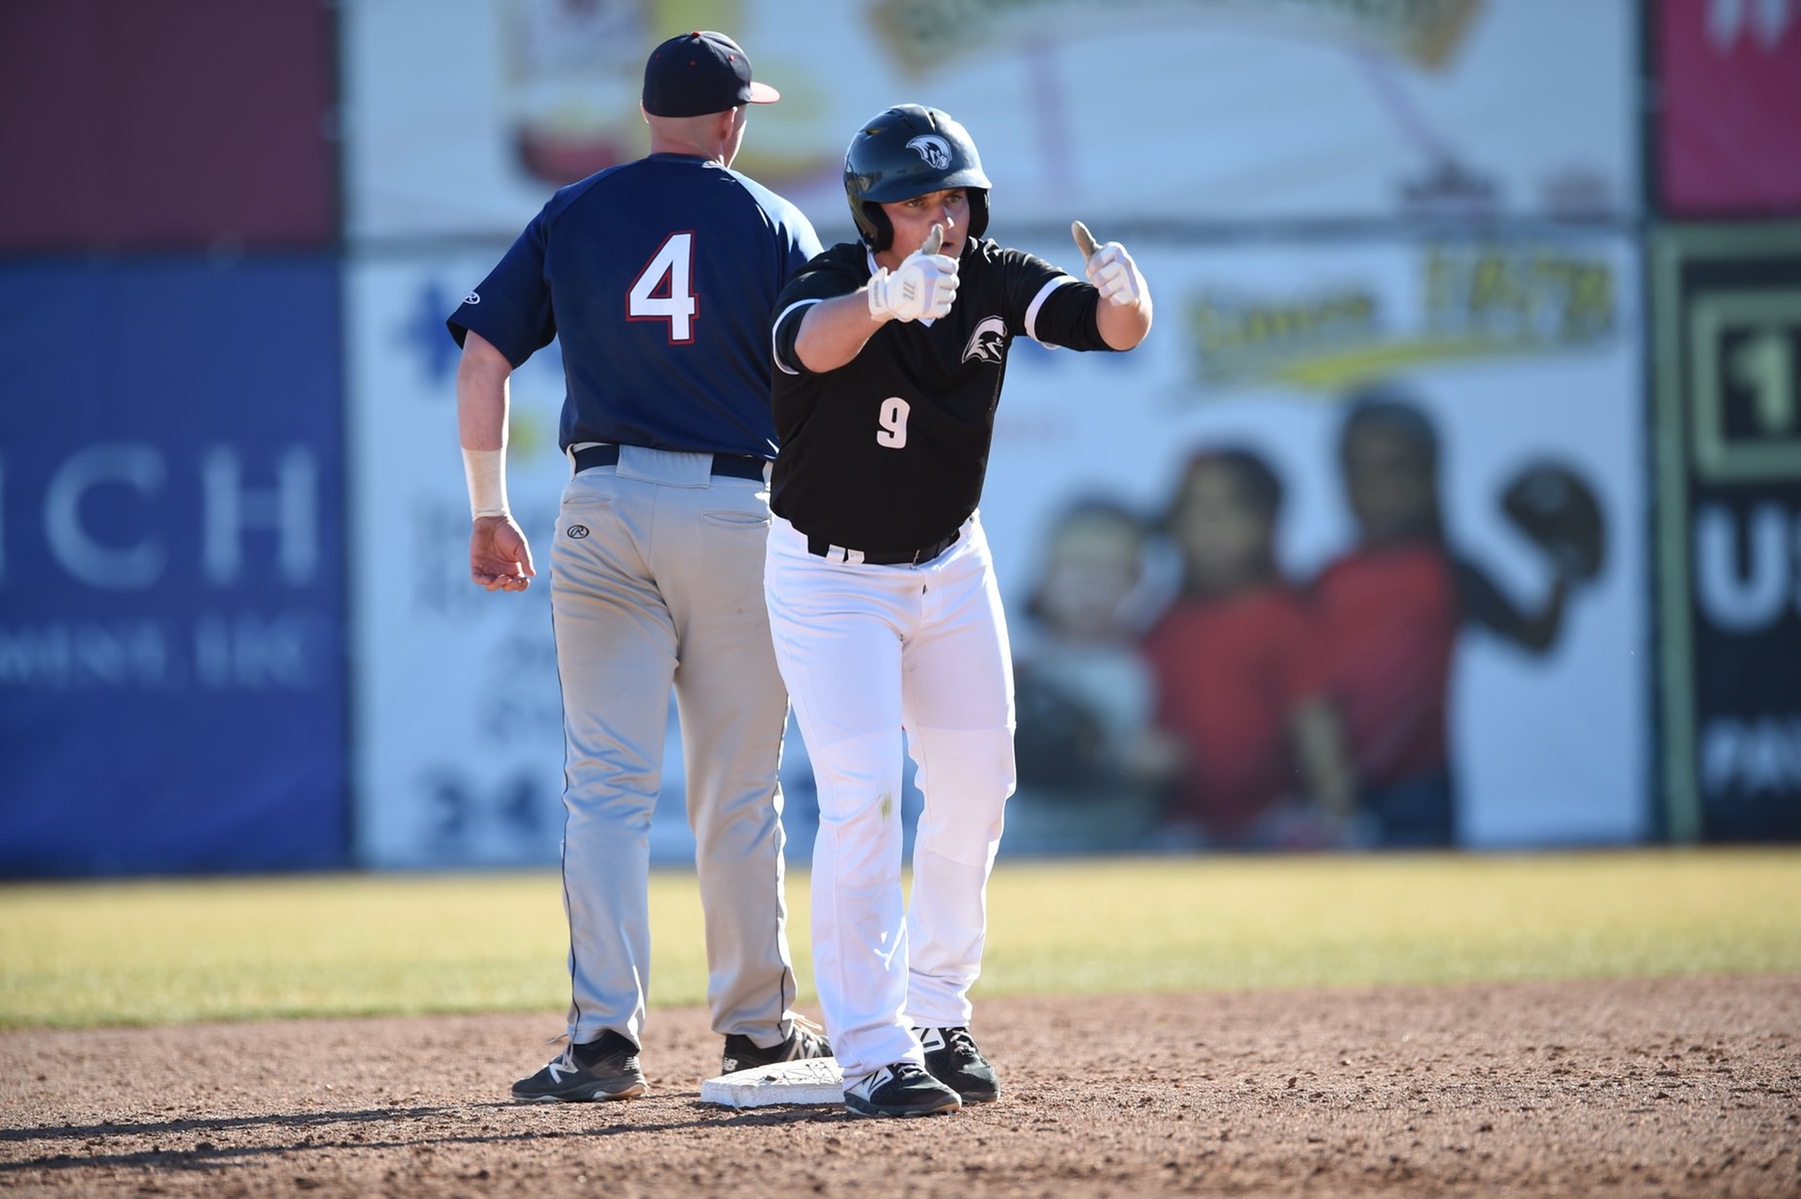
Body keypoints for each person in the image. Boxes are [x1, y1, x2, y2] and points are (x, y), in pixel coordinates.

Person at [446, 30, 829, 1103]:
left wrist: (489, 510)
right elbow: (824, 377)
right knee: (738, 792)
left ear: (649, 112)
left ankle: (602, 1040)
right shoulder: (775, 220)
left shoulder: (574, 210)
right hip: (733, 510)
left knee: (606, 787)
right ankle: (757, 1031)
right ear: (729, 119)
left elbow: (483, 355)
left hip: (599, 504)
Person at [762, 104, 1153, 1118]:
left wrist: (1128, 299)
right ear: (870, 208)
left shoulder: (989, 273)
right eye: (919, 198)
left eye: (955, 195)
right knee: (860, 797)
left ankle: (936, 1010)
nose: (943, 214)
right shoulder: (833, 282)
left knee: (978, 784)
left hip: (947, 564)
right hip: (830, 577)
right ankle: (872, 1045)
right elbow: (802, 345)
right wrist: (886, 301)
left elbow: (1100, 327)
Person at [1314, 387, 1585, 847]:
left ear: (1431, 475)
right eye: (1360, 472)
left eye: (1395, 471)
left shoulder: (1449, 572)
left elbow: (1536, 638)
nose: (1379, 490)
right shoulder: (1327, 581)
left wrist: (1563, 570)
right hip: (1340, 782)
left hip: (1425, 782)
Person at [1142, 448, 1354, 848]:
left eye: (1228, 512)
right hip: (1183, 828)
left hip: (1272, 820)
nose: (1208, 529)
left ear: (1266, 522)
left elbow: (1314, 723)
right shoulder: (1160, 623)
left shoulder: (1283, 620)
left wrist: (1338, 816)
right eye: (1192, 512)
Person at [1008, 498, 1179, 852]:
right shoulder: (1013, 662)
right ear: (1044, 577)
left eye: (1108, 572)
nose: (1090, 586)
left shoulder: (1148, 666)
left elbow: (1167, 757)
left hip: (1121, 847)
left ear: (1136, 583)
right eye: (1075, 569)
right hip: (1025, 848)